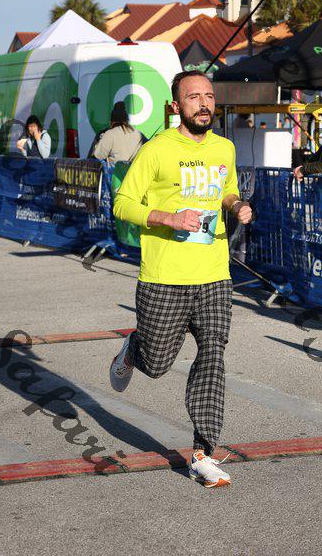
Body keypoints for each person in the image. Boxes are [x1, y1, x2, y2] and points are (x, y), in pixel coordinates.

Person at [110, 70, 253, 488]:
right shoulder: (156, 150)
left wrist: (235, 205)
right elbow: (122, 203)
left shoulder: (224, 147)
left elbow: (226, 189)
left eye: (209, 96)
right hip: (163, 278)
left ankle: (203, 453)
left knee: (212, 355)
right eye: (194, 97)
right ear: (176, 106)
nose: (204, 103)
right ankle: (134, 349)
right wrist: (167, 217)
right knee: (157, 364)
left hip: (214, 275)